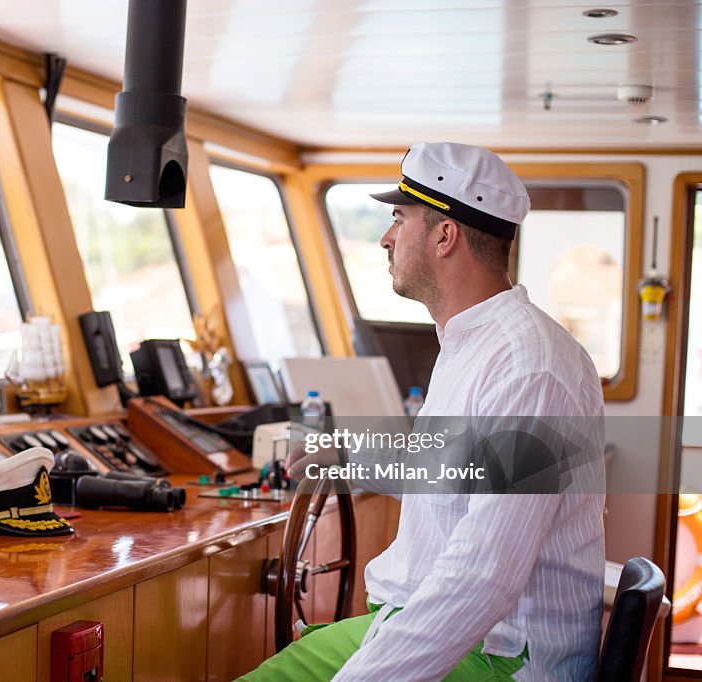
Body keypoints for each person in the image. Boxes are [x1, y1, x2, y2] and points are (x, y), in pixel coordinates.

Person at [240, 142, 605, 681]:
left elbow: (483, 578)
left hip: (501, 656)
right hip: (439, 624)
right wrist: (342, 455)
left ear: (444, 235)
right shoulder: (472, 343)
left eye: (398, 219)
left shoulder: (530, 370)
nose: (387, 239)